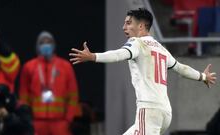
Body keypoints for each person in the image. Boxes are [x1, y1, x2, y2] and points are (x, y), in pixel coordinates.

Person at [69, 8, 217, 135]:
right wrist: (202, 76)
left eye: (128, 23)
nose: (123, 27)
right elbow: (181, 68)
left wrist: (93, 56)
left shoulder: (136, 43)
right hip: (165, 112)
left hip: (149, 110)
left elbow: (118, 55)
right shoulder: (160, 48)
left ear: (141, 26)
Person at [19, 31, 81, 135]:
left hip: (61, 122)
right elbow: (23, 96)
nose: (46, 45)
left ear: (53, 45)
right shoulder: (29, 67)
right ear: (38, 46)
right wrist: (27, 119)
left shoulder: (65, 66)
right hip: (36, 122)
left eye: (49, 42)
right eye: (42, 42)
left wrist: (68, 119)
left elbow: (73, 95)